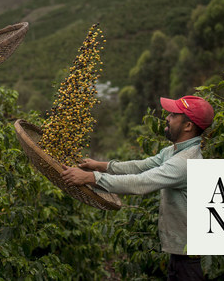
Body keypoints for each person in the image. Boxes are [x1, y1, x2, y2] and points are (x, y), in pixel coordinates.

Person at [61, 95, 214, 281]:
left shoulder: (185, 162)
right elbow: (141, 166)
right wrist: (101, 165)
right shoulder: (173, 151)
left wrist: (92, 177)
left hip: (189, 258)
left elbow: (140, 182)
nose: (166, 117)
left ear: (188, 126)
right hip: (180, 252)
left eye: (173, 115)